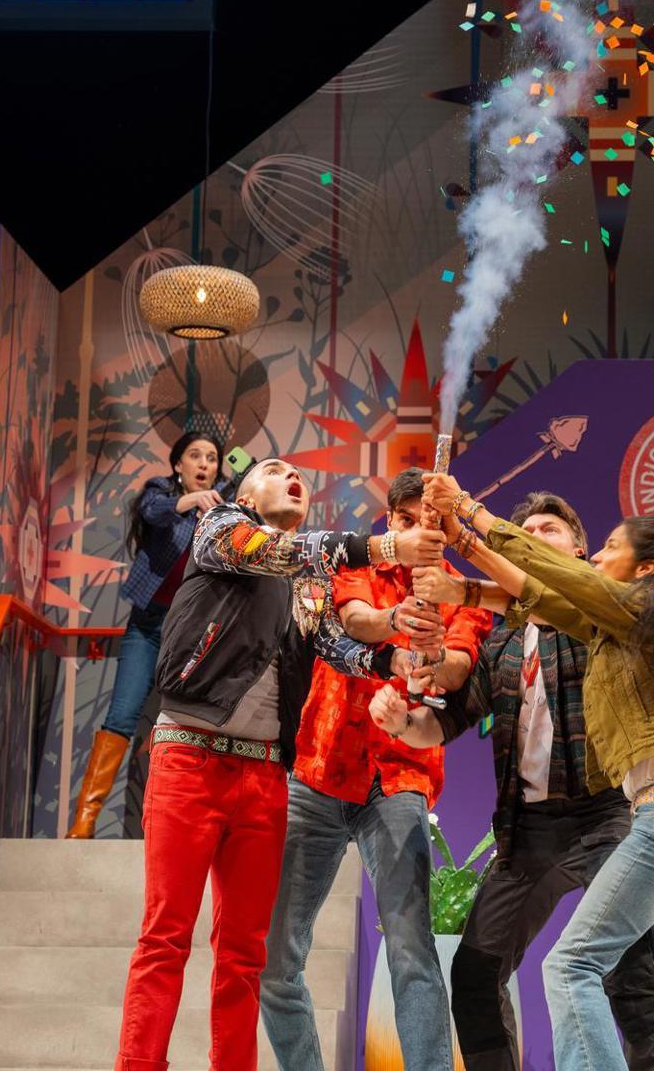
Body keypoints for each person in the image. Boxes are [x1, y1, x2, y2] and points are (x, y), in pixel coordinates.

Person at [114, 457, 447, 1071]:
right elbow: (285, 550)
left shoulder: (306, 583)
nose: (292, 476)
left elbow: (335, 646)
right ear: (246, 492)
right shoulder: (221, 529)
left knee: (245, 955)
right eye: (274, 470)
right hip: (188, 759)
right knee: (165, 939)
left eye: (299, 473)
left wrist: (392, 660)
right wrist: (385, 545)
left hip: (265, 776)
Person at [420, 474, 654, 1071]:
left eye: (609, 549)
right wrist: (462, 559)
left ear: (645, 569)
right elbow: (537, 599)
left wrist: (469, 511)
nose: (597, 558)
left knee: (571, 967)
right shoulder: (616, 623)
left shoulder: (635, 607)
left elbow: (554, 578)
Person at [372, 490, 654, 1071]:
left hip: (605, 816)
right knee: (475, 973)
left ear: (581, 552)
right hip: (526, 830)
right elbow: (447, 721)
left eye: (551, 530)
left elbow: (545, 592)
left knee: (629, 971)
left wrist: (467, 539)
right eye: (527, 529)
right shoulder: (503, 640)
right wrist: (403, 723)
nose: (537, 535)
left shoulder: (601, 614)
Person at [261, 467, 492, 1071]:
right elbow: (355, 619)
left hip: (400, 783)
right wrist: (398, 626)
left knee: (413, 953)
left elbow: (458, 670)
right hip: (317, 773)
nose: (421, 531)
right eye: (408, 520)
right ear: (393, 522)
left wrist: (430, 658)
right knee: (277, 959)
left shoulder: (465, 596)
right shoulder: (355, 562)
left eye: (433, 522)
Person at [68, 430, 226, 839]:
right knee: (121, 716)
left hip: (194, 633)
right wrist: (187, 501)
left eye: (212, 457)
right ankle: (84, 821)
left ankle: (195, 826)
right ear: (178, 465)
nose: (205, 464)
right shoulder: (161, 493)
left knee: (199, 724)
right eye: (195, 456)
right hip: (148, 626)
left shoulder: (224, 508)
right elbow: (152, 511)